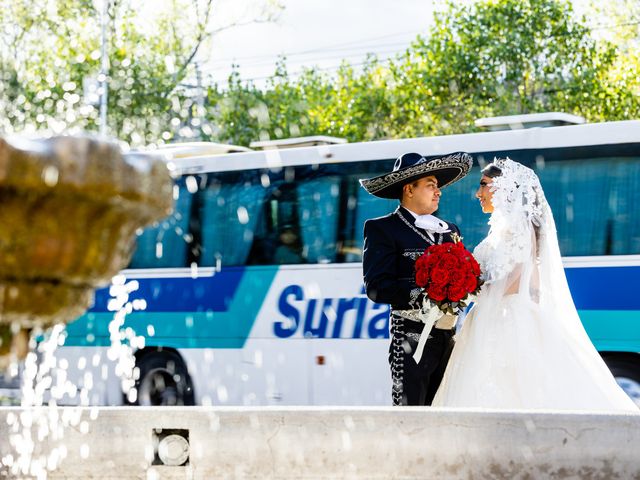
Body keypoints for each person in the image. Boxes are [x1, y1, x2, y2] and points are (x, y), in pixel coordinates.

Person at [432, 157, 638, 411]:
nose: (478, 193)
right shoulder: (499, 231)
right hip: (489, 316)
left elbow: (521, 277)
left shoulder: (520, 229)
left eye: (483, 185)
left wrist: (474, 289)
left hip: (509, 321)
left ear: (504, 188)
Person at [360, 151, 473, 406]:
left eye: (438, 186)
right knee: (409, 416)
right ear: (409, 189)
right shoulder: (383, 228)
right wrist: (424, 294)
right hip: (410, 340)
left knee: (446, 410)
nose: (438, 191)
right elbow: (377, 287)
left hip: (448, 337)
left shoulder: (449, 230)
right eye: (431, 185)